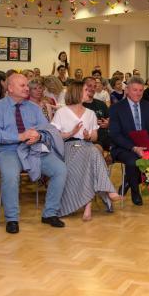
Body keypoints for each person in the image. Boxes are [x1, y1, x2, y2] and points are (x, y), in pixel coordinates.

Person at [0, 74, 68, 234]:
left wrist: (39, 136)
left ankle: (50, 213)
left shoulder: (33, 108)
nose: (27, 88)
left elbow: (46, 130)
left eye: (27, 85)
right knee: (10, 175)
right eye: (22, 85)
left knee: (60, 169)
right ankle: (12, 219)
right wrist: (20, 137)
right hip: (8, 151)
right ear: (10, 88)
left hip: (33, 149)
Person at [52, 81, 121, 221]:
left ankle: (88, 207)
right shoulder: (61, 112)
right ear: (76, 92)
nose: (88, 92)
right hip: (69, 147)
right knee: (93, 153)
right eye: (85, 90)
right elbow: (53, 135)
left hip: (86, 145)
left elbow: (95, 136)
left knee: (92, 152)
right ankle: (107, 191)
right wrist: (71, 133)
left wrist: (88, 136)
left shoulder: (90, 113)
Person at [108, 76, 149, 206]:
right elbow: (115, 135)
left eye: (141, 90)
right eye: (135, 90)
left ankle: (128, 181)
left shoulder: (148, 106)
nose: (138, 93)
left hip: (145, 145)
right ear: (127, 90)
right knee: (133, 161)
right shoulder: (116, 108)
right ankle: (135, 192)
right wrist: (134, 148)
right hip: (123, 147)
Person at [82, 77, 111, 152]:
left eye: (94, 86)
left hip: (105, 136)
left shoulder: (101, 104)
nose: (92, 89)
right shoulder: (79, 105)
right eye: (89, 86)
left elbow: (109, 119)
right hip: (89, 138)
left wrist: (108, 123)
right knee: (97, 149)